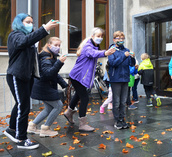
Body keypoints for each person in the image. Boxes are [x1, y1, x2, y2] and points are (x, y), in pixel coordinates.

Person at [4, 13, 58, 149]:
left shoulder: (27, 37)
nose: (30, 24)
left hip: (26, 76)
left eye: (31, 22)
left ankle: (11, 129)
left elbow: (29, 42)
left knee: (20, 104)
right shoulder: (15, 35)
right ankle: (21, 139)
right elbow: (24, 42)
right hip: (17, 75)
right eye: (27, 21)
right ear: (19, 23)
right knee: (24, 106)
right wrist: (44, 29)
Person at [63, 27, 115, 131]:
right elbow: (93, 54)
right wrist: (105, 53)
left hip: (78, 76)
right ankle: (82, 124)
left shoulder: (94, 46)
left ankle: (68, 112)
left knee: (78, 94)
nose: (100, 38)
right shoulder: (88, 46)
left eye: (101, 36)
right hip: (77, 76)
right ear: (92, 36)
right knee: (85, 98)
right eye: (98, 36)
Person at [28, 37, 68, 137]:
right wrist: (60, 62)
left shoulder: (50, 56)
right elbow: (48, 74)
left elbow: (54, 74)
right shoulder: (46, 58)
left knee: (48, 108)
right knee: (58, 105)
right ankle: (45, 129)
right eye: (55, 45)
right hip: (44, 87)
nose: (57, 47)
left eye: (59, 45)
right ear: (49, 45)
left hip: (42, 86)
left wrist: (64, 84)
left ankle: (32, 126)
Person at [108, 31, 136, 130]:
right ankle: (117, 121)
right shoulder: (111, 50)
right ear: (114, 39)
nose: (120, 40)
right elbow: (112, 63)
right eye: (118, 38)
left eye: (122, 38)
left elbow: (131, 64)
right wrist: (124, 56)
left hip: (125, 78)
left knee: (123, 101)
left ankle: (122, 119)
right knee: (116, 101)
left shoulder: (126, 50)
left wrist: (133, 58)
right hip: (115, 78)